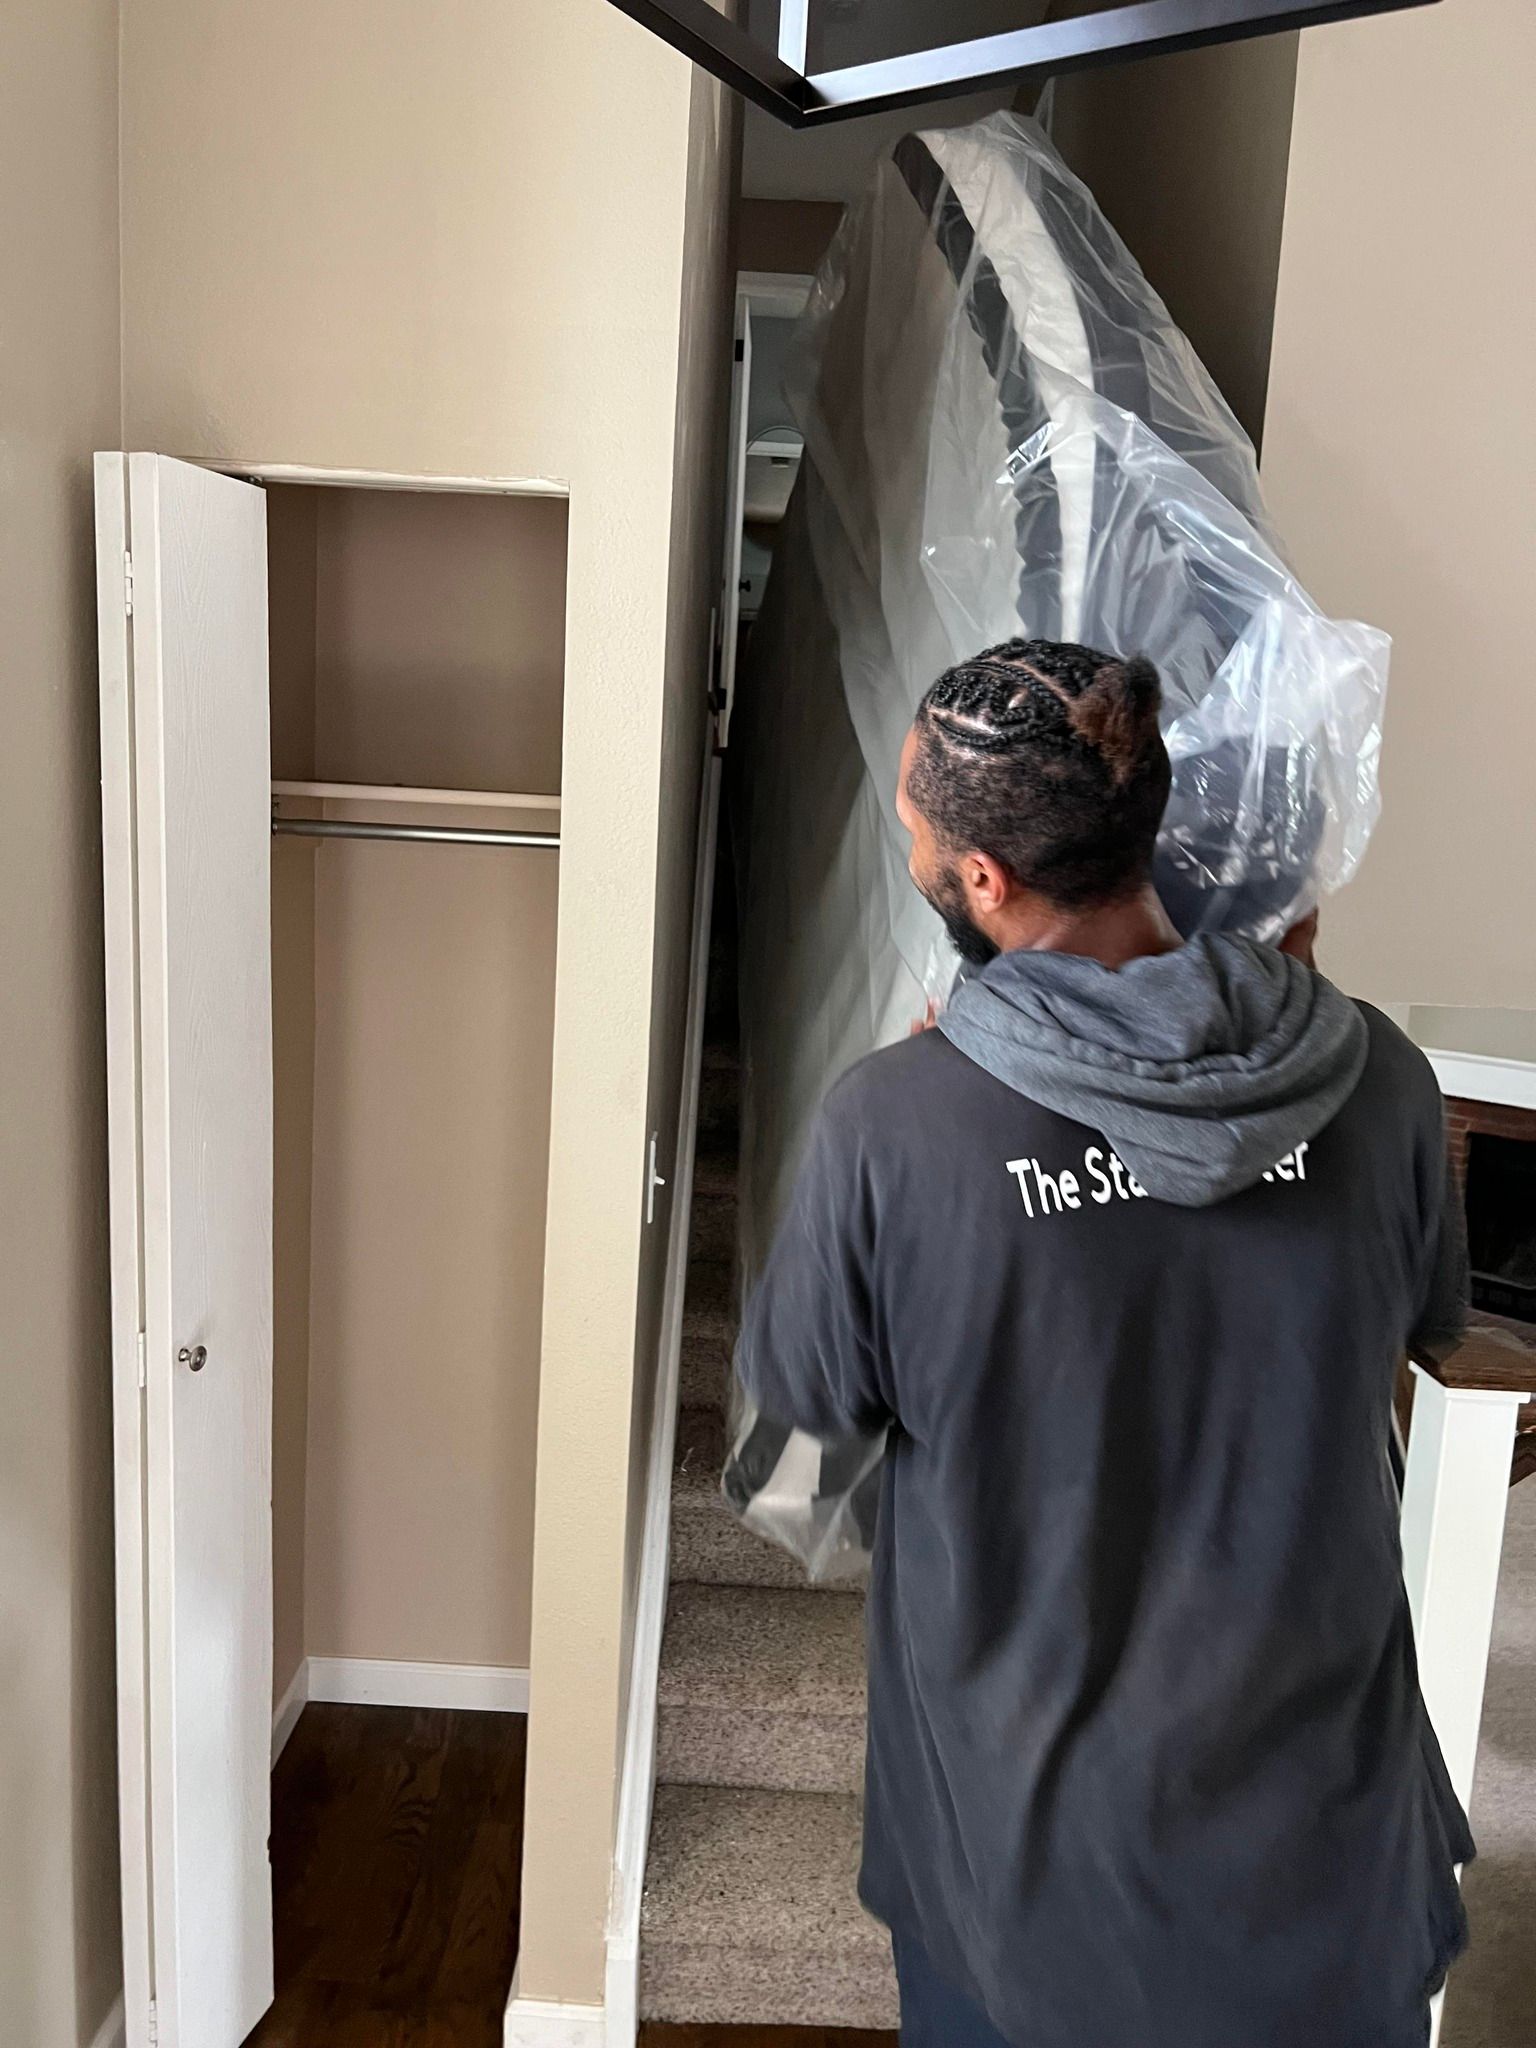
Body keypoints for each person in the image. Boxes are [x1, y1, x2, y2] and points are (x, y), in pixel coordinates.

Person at [736, 638, 1472, 2048]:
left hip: (1028, 1879)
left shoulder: (896, 1123)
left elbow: (793, 1484)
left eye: (914, 833)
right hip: (1331, 1862)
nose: (913, 850)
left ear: (983, 883)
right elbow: (1417, 1329)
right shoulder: (1379, 1078)